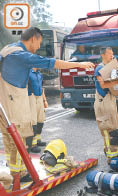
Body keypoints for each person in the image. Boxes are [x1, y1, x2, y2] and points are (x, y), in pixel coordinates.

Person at [0, 27, 94, 182]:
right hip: (14, 101)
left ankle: (17, 171)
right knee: (19, 138)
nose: (38, 47)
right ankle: (19, 175)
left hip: (4, 102)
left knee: (9, 138)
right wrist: (80, 65)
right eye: (39, 43)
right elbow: (51, 63)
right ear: (33, 39)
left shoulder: (7, 49)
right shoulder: (21, 55)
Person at [94, 47, 118, 164]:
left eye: (113, 53)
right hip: (103, 101)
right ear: (103, 55)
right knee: (107, 129)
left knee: (114, 128)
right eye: (110, 54)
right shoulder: (99, 68)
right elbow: (103, 85)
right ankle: (111, 156)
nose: (112, 56)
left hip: (110, 100)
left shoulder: (110, 68)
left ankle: (113, 152)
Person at [26, 68, 47, 153]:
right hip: (31, 96)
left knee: (40, 119)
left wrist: (44, 100)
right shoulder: (27, 73)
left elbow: (42, 87)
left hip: (39, 97)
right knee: (33, 121)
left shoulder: (39, 74)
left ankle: (38, 140)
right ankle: (32, 144)